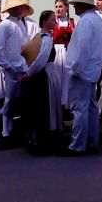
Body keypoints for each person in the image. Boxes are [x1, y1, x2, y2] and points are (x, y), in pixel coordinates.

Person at [62, 0, 102, 156]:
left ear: (82, 5)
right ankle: (92, 141)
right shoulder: (97, 20)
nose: (74, 8)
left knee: (79, 109)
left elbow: (83, 48)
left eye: (76, 5)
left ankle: (77, 145)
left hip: (82, 72)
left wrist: (75, 69)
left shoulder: (86, 21)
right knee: (91, 109)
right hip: (92, 70)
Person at [21, 10, 61, 154]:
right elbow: (41, 59)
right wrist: (29, 72)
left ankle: (38, 138)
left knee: (39, 106)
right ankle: (42, 139)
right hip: (44, 74)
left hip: (41, 73)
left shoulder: (39, 36)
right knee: (43, 106)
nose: (54, 22)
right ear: (44, 21)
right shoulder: (46, 39)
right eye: (52, 19)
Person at [0, 0, 30, 146]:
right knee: (10, 100)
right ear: (11, 9)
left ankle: (16, 129)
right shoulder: (5, 25)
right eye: (17, 7)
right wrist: (8, 66)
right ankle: (5, 131)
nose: (20, 9)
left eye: (21, 6)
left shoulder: (20, 24)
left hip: (22, 67)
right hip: (12, 69)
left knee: (20, 100)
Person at [52, 0, 75, 109]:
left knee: (67, 78)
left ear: (66, 8)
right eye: (56, 7)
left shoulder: (72, 22)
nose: (58, 9)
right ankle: (56, 103)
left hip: (67, 52)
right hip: (56, 52)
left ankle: (66, 104)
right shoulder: (53, 22)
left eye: (60, 7)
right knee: (56, 78)